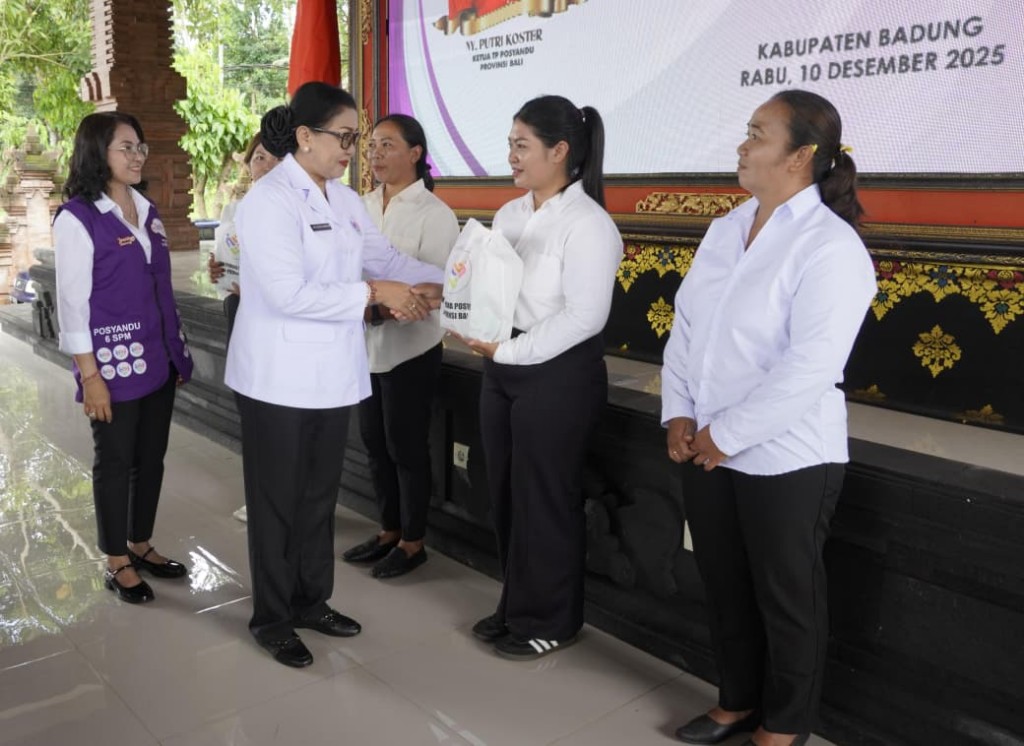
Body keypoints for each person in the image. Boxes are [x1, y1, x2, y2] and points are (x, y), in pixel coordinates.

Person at [662, 90, 876, 746]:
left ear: (801, 156)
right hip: (705, 444)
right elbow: (687, 326)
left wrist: (725, 434)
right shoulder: (727, 227)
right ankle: (736, 702)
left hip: (786, 457)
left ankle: (783, 727)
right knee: (725, 585)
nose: (742, 144)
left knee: (786, 602)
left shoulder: (830, 247)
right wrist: (678, 412)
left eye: (757, 133)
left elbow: (809, 368)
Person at [225, 82, 445, 668]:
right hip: (277, 378)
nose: (353, 148)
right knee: (277, 502)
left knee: (319, 498)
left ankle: (310, 600)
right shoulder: (268, 201)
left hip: (331, 375)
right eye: (344, 137)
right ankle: (271, 616)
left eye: (356, 137)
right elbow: (287, 293)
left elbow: (388, 260)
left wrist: (449, 279)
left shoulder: (345, 202)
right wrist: (376, 293)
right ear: (304, 136)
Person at [460, 95, 623, 660]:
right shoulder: (509, 215)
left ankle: (552, 618)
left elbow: (585, 317)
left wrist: (509, 351)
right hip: (502, 365)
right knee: (505, 491)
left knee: (546, 499)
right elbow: (491, 290)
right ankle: (516, 605)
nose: (512, 155)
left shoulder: (589, 225)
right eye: (510, 143)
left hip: (557, 376)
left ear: (560, 151)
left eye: (521, 145)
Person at [53, 112, 194, 604]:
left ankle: (140, 544)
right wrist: (89, 376)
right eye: (125, 147)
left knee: (149, 459)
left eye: (140, 147)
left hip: (157, 357)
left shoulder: (146, 210)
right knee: (115, 461)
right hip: (110, 364)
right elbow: (73, 302)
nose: (137, 156)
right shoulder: (77, 217)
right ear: (98, 153)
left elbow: (160, 288)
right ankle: (116, 560)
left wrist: (174, 351)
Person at [341, 114, 460, 578]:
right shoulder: (358, 206)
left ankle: (413, 542)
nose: (375, 154)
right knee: (373, 442)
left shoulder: (435, 214)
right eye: (372, 145)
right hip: (363, 347)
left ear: (415, 153)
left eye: (387, 145)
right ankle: (388, 530)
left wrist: (371, 309)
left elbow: (434, 287)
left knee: (405, 446)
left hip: (410, 349)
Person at [207, 132, 286, 523]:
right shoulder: (235, 210)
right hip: (241, 312)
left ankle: (293, 499)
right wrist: (217, 270)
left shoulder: (298, 210)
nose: (265, 165)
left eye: (274, 158)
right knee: (250, 408)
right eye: (258, 157)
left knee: (282, 412)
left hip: (279, 322)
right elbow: (224, 265)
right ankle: (260, 498)